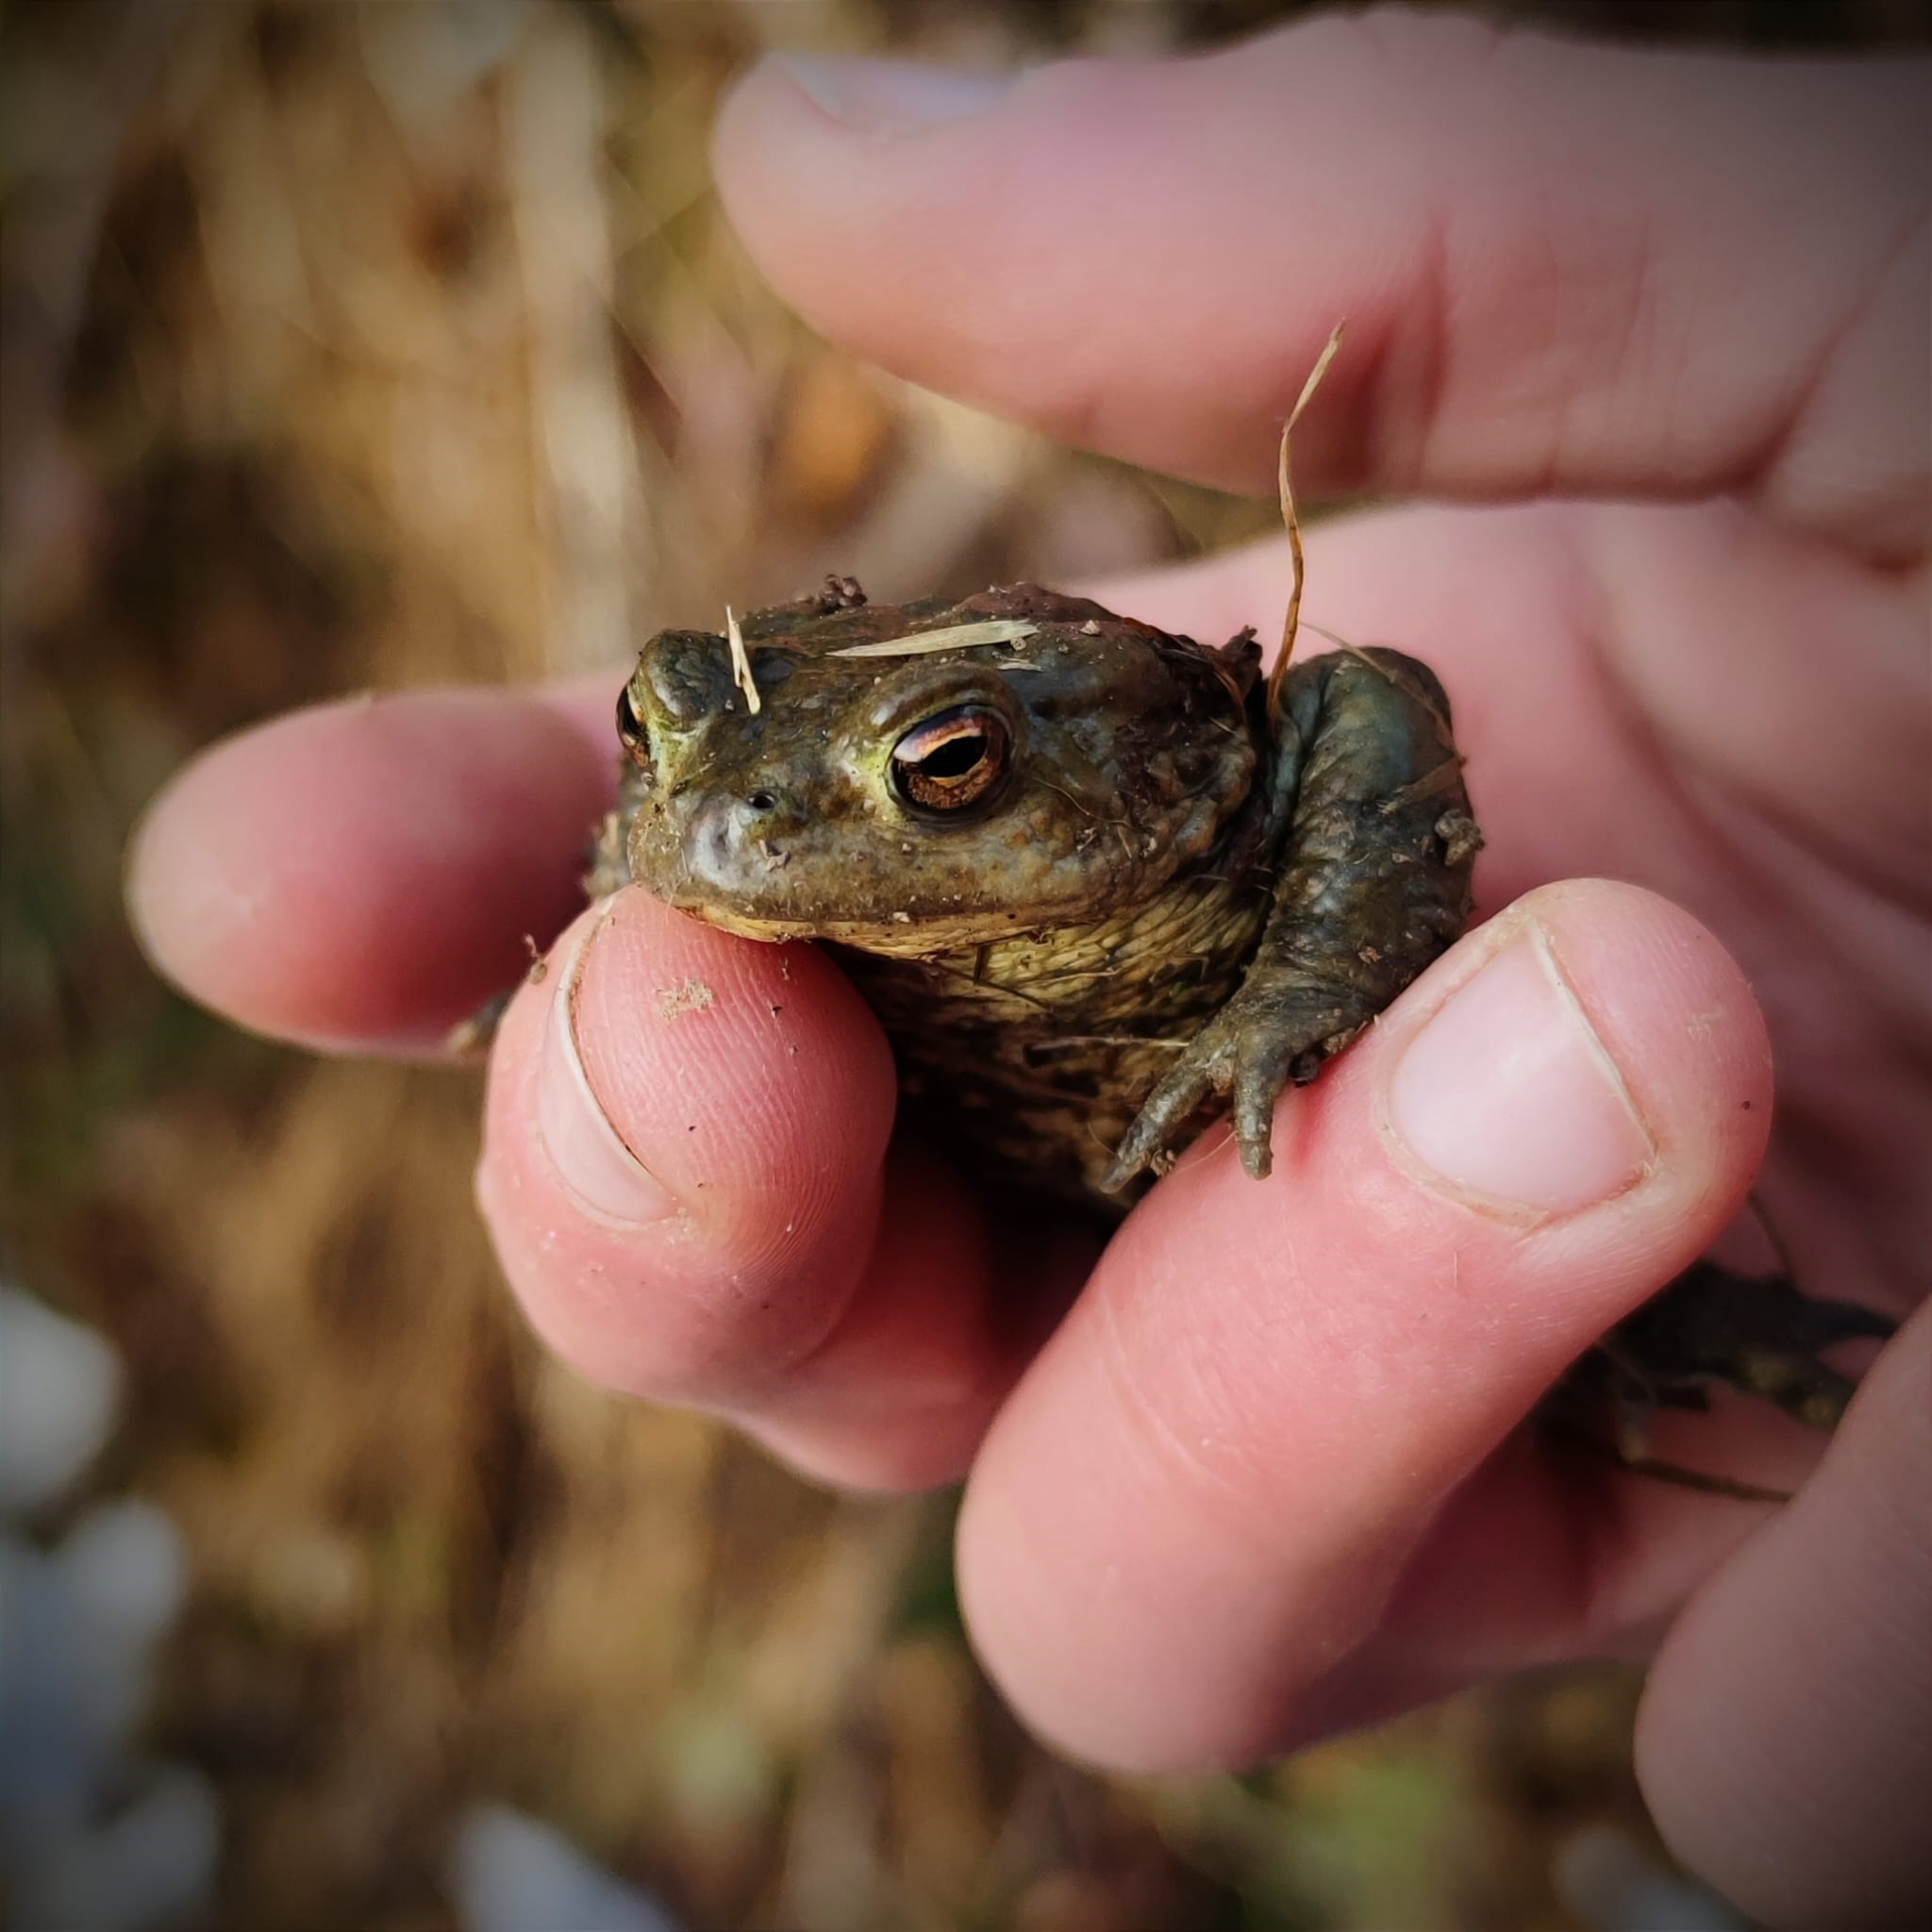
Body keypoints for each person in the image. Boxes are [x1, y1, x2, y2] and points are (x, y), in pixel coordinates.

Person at [128, 15, 1929, 1925]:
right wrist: (605, 899)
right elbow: (710, 814)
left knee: (1639, 1389)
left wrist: (1297, 990)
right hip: (1040, 1167)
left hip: (1280, 1051)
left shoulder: (1191, 766)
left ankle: (1817, 1369)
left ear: (1029, 764)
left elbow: (1362, 709)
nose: (714, 830)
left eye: (941, 777)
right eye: (657, 743)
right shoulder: (736, 860)